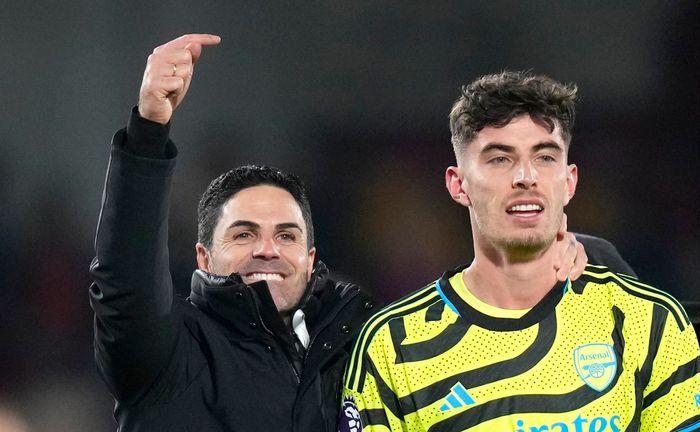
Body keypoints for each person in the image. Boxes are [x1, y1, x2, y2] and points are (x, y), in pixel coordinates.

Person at [88, 34, 628, 431]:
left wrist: (584, 250)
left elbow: (484, 313)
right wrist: (148, 127)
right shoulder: (166, 354)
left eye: (287, 235)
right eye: (244, 234)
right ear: (204, 257)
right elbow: (124, 283)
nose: (269, 249)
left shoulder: (364, 342)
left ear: (312, 255)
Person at [339, 71, 700, 432]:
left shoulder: (648, 320)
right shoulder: (393, 345)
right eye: (500, 159)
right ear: (459, 185)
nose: (526, 176)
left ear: (569, 182)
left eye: (544, 157)